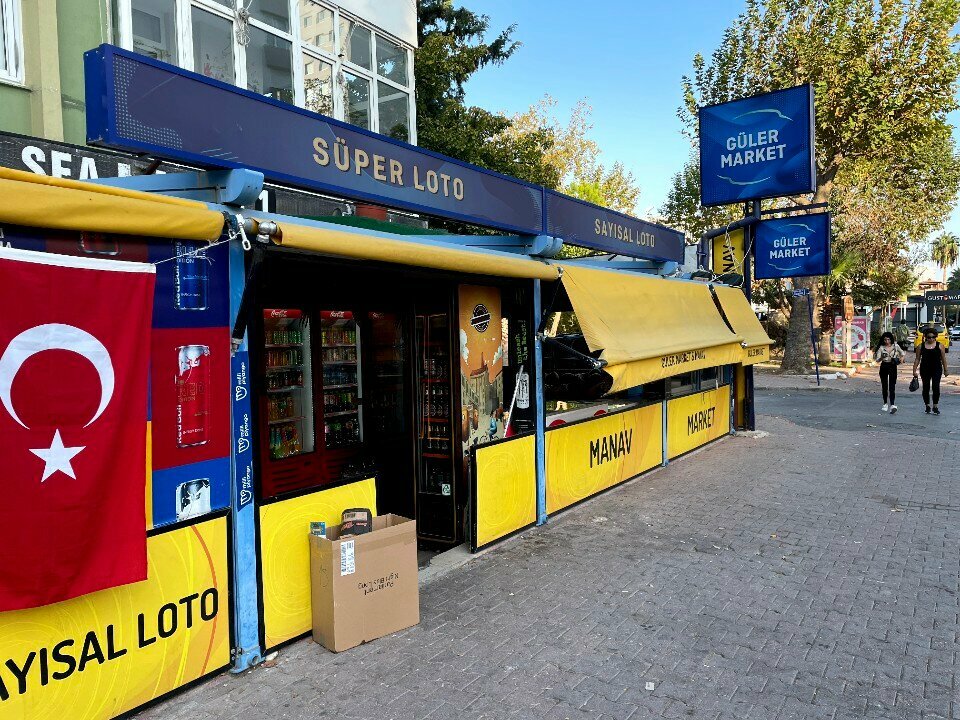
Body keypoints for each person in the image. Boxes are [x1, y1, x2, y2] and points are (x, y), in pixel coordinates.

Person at [912, 327, 949, 414]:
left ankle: (935, 405)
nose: (931, 339)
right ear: (925, 337)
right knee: (926, 387)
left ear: (935, 337)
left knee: (936, 387)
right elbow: (917, 359)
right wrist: (914, 370)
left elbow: (943, 358)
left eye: (933, 337)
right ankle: (927, 405)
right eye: (929, 337)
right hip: (925, 369)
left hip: (937, 369)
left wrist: (946, 370)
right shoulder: (921, 346)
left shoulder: (940, 346)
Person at [874, 332, 904, 413]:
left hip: (893, 366)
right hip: (884, 366)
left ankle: (892, 404)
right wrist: (881, 358)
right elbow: (877, 360)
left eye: (888, 339)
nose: (887, 341)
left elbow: (902, 353)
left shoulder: (896, 346)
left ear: (891, 339)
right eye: (885, 339)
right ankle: (885, 403)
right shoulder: (881, 348)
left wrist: (901, 359)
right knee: (884, 385)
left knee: (892, 385)